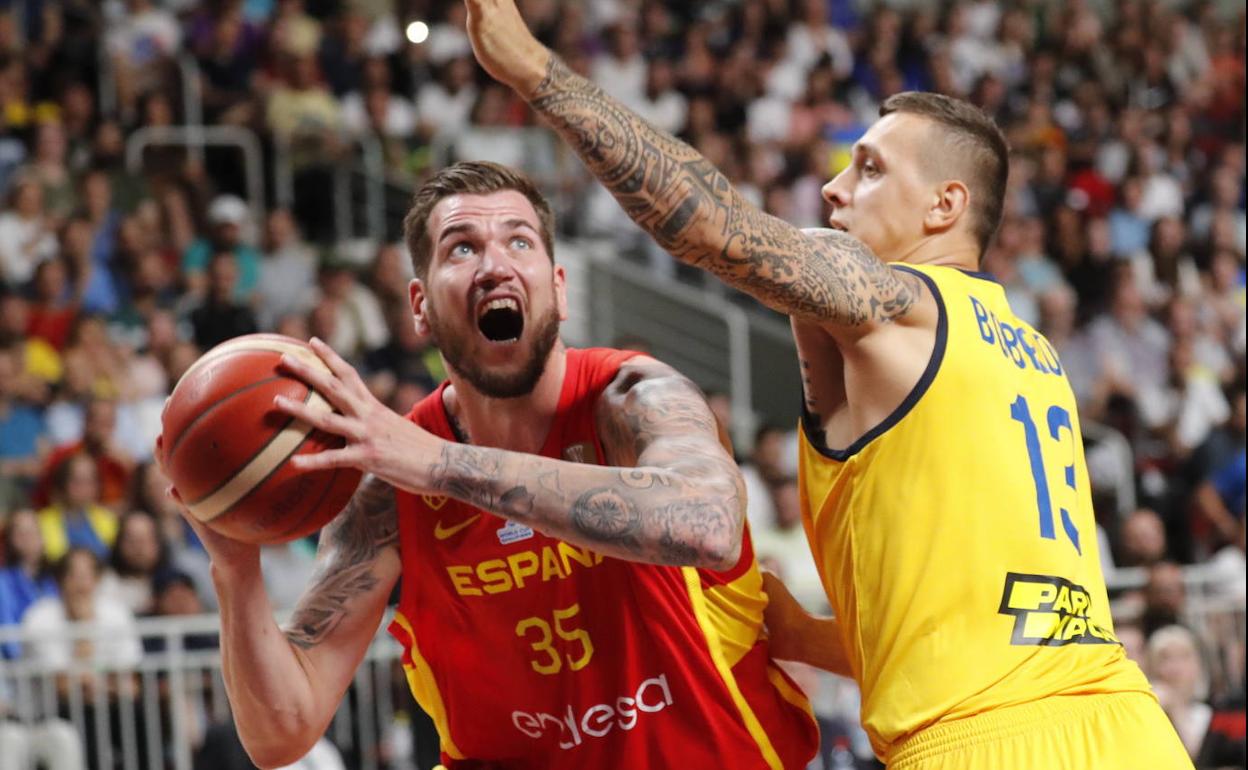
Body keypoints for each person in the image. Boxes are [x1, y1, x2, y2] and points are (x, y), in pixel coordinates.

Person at [457, 2, 1192, 767]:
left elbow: (709, 224)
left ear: (946, 205)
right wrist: (808, 637)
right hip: (1130, 728)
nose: (836, 190)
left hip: (981, 745)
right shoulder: (1031, 352)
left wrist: (532, 71)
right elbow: (977, 628)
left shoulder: (903, 304)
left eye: (870, 169)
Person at [163, 161, 818, 769]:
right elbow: (280, 732)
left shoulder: (633, 397)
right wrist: (236, 567)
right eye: (462, 247)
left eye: (519, 241)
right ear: (419, 305)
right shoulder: (390, 488)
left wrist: (441, 465)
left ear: (559, 291)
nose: (495, 265)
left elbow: (705, 524)